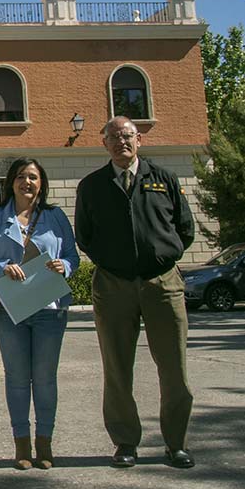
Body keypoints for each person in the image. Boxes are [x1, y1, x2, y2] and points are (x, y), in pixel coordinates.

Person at [75, 117, 196, 469]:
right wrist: (113, 262)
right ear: (104, 144)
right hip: (113, 285)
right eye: (112, 137)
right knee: (117, 368)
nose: (120, 142)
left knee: (174, 368)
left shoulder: (164, 179)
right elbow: (85, 235)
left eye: (126, 136)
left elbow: (184, 229)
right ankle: (125, 442)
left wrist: (162, 256)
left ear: (139, 139)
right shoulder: (92, 185)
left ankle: (176, 444)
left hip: (163, 283)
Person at [0, 158, 79, 470]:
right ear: (11, 183)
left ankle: (44, 443)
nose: (26, 182)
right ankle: (21, 444)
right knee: (17, 378)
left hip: (48, 306)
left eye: (32, 177)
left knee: (45, 378)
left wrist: (66, 267)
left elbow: (72, 255)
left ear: (41, 183)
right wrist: (0, 268)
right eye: (20, 177)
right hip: (9, 307)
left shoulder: (55, 217)